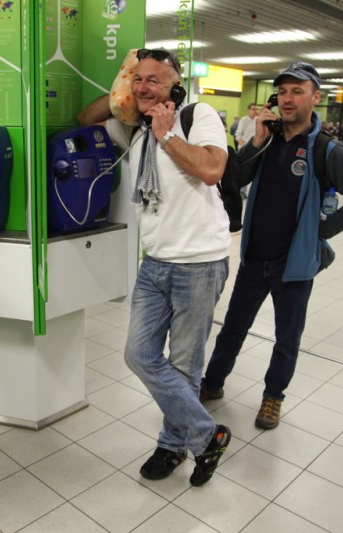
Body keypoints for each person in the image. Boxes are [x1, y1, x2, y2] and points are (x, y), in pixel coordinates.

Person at [77, 48, 232, 487]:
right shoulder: (135, 129)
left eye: (154, 80)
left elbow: (212, 169)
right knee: (139, 354)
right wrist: (123, 89)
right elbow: (85, 118)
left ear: (176, 87)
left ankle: (171, 445)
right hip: (155, 262)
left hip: (199, 263)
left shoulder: (197, 116)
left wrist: (166, 135)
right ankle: (208, 434)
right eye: (138, 79)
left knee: (184, 365)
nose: (144, 87)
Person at [200, 61, 343, 430]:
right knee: (233, 327)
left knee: (287, 337)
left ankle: (273, 397)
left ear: (315, 98)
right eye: (282, 91)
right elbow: (234, 179)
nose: (287, 98)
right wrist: (256, 140)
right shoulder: (266, 142)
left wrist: (320, 232)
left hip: (294, 264)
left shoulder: (327, 150)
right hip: (254, 257)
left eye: (297, 91)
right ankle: (213, 382)